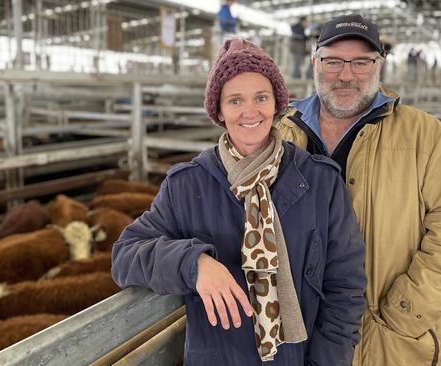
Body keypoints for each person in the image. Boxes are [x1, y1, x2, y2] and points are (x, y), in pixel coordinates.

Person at [112, 39, 366, 365]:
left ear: (277, 104)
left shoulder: (321, 182)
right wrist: (193, 264)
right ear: (218, 111)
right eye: (235, 100)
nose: (250, 111)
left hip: (298, 358)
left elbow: (345, 286)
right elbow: (125, 255)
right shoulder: (187, 184)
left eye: (261, 98)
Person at [275, 14, 441, 366]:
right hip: (300, 335)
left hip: (391, 340)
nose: (346, 75)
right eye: (333, 62)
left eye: (361, 62)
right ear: (315, 63)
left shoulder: (428, 136)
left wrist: (404, 311)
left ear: (380, 65)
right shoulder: (281, 135)